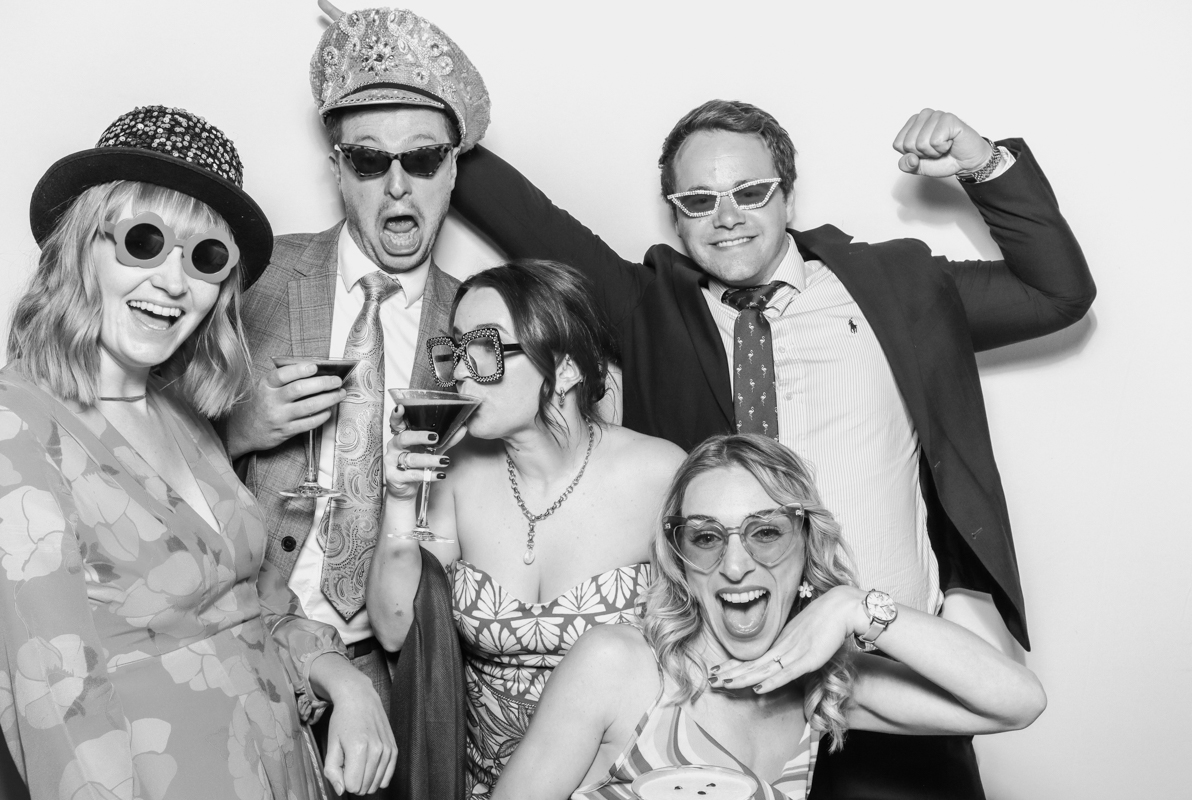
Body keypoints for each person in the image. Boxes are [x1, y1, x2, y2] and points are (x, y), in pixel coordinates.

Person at [448, 102, 1093, 796]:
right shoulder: (650, 309)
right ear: (675, 214)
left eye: (750, 192)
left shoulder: (894, 290)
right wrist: (430, 102)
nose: (725, 216)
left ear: (788, 192)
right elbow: (526, 219)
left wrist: (983, 161)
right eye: (698, 201)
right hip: (724, 684)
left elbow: (1056, 292)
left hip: (872, 677)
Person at [0, 105, 395, 799]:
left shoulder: (181, 414)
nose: (175, 283)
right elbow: (58, 710)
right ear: (79, 247)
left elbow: (251, 605)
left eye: (206, 258)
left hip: (283, 768)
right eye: (144, 241)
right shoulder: (12, 427)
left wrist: (342, 678)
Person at [225, 7, 491, 796]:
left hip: (393, 667)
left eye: (423, 158)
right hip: (239, 638)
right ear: (339, 170)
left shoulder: (483, 326)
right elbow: (142, 448)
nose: (398, 184)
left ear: (452, 171)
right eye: (372, 162)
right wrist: (241, 426)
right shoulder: (253, 283)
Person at [493, 434, 1046, 799]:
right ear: (681, 561)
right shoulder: (619, 666)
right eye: (706, 537)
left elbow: (1017, 703)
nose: (735, 564)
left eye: (765, 532)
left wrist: (854, 607)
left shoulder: (821, 687)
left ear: (806, 544)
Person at [366, 260, 687, 796]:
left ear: (564, 368)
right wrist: (399, 502)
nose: (461, 373)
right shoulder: (457, 471)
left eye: (487, 350)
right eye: (455, 350)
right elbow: (396, 629)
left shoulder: (661, 476)